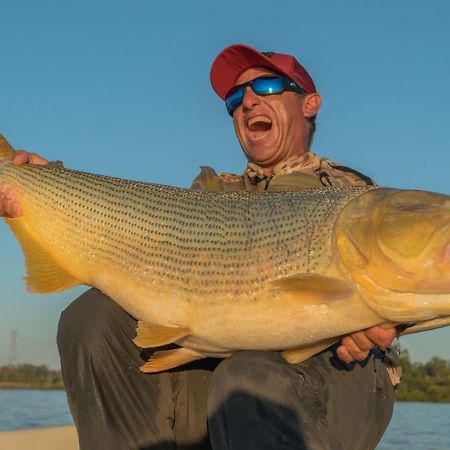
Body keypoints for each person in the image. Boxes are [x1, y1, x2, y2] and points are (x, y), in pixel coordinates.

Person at [0, 44, 399, 450]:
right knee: (91, 317)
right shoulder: (210, 193)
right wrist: (46, 185)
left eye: (266, 84)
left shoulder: (349, 195)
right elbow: (140, 235)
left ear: (309, 103)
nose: (247, 101)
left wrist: (386, 320)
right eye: (234, 98)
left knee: (247, 376)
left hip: (329, 378)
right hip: (219, 368)